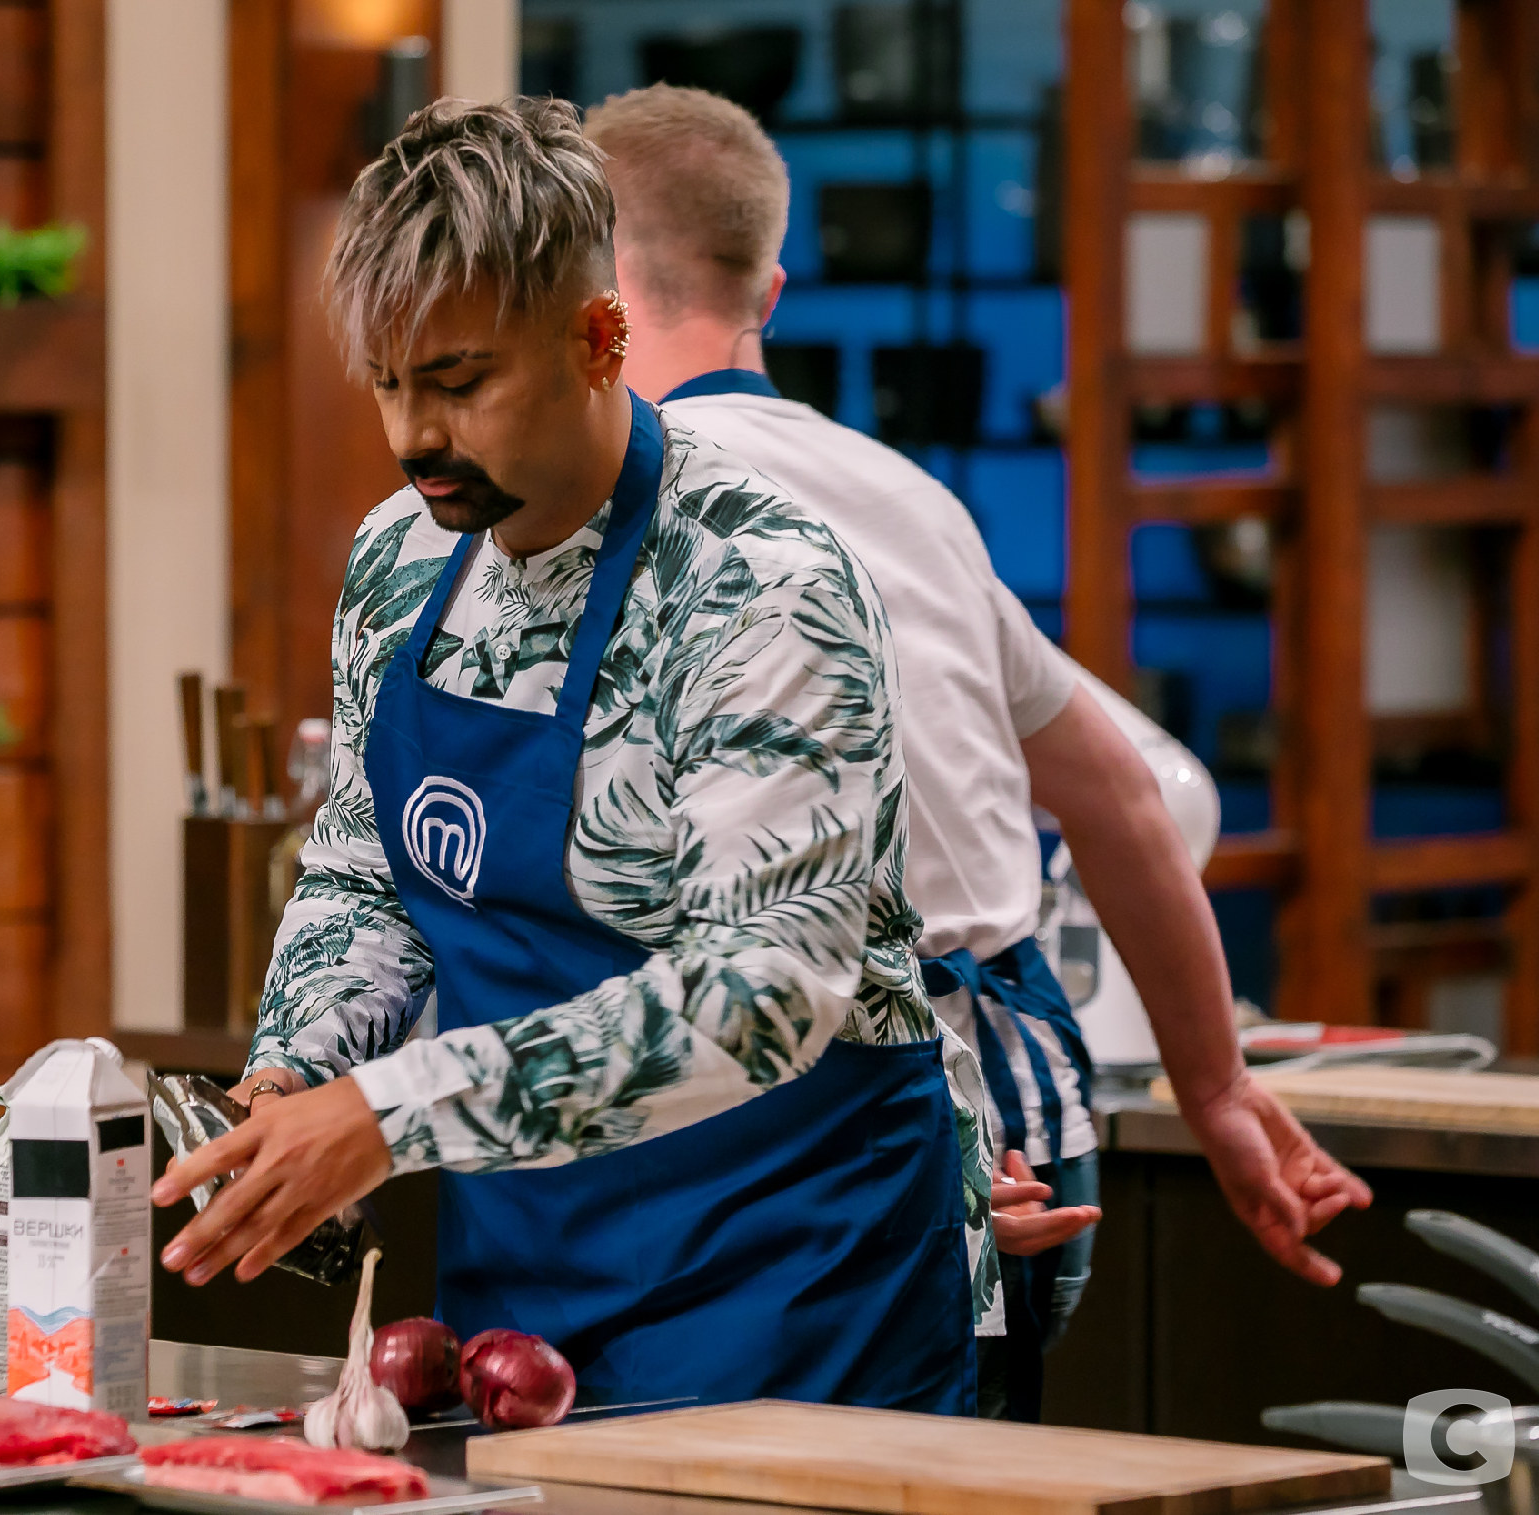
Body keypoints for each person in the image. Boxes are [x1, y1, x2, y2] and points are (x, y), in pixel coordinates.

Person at [153, 95, 996, 1413]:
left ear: (599, 338)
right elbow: (370, 873)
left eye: (459, 384)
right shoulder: (399, 559)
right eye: (387, 382)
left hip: (800, 1272)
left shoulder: (759, 586)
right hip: (532, 1277)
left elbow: (768, 988)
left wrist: (392, 1114)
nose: (411, 437)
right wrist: (296, 1072)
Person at [581, 83, 1372, 1419]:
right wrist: (1221, 1093)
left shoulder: (620, 507)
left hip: (854, 1126)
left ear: (580, 293)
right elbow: (1120, 796)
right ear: (772, 287)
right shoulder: (912, 499)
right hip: (1034, 1107)